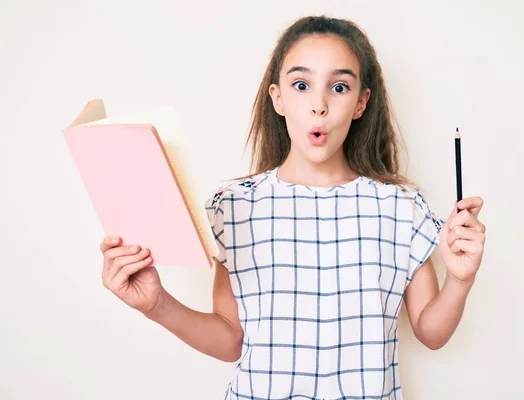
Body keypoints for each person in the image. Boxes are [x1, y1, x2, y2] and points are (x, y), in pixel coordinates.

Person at [99, 15, 486, 400]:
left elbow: (431, 333)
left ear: (360, 103)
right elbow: (231, 339)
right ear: (278, 98)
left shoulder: (401, 208)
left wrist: (460, 280)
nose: (318, 106)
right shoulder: (234, 207)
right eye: (301, 85)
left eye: (338, 87)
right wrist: (157, 305)